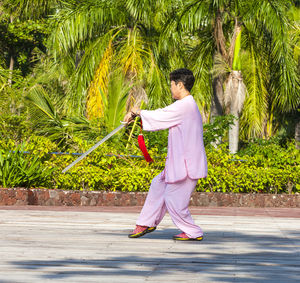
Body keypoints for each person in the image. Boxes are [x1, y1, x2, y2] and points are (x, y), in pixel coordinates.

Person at [124, 68, 207, 241]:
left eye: (172, 85)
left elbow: (161, 115)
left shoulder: (185, 105)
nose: (171, 88)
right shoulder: (184, 105)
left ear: (180, 85)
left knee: (174, 200)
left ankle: (193, 231)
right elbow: (163, 116)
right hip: (178, 164)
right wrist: (138, 116)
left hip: (186, 165)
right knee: (157, 184)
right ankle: (146, 222)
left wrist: (137, 112)